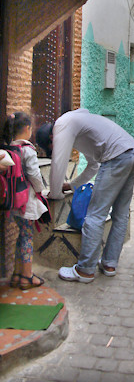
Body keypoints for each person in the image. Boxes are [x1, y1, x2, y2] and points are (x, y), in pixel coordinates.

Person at [36, 108, 134, 283]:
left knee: (95, 214)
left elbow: (58, 163)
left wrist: (55, 194)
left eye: (50, 147)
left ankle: (85, 270)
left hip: (115, 158)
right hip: (132, 154)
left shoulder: (61, 125)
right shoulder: (79, 127)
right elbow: (93, 166)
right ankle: (109, 264)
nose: (54, 149)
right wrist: (71, 185)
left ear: (51, 138)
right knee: (120, 215)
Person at [3, 112, 48, 290]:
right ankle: (27, 276)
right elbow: (35, 176)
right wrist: (40, 190)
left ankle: (16, 273)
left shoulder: (9, 149)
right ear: (28, 129)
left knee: (21, 236)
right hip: (26, 201)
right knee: (27, 237)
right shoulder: (27, 150)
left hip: (13, 201)